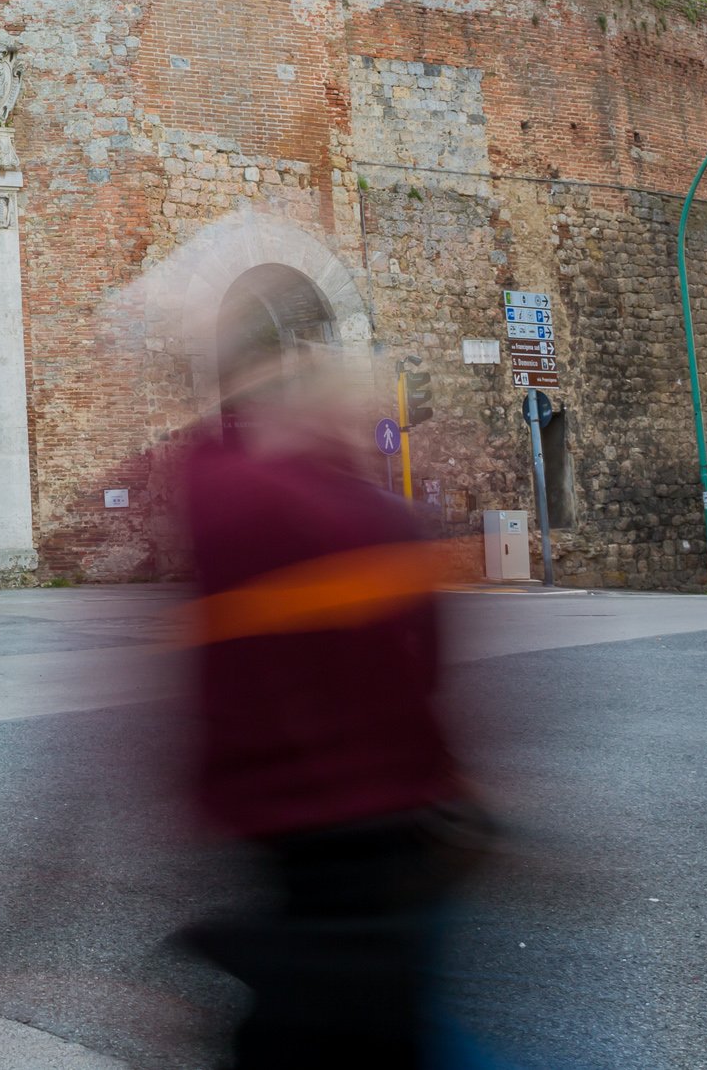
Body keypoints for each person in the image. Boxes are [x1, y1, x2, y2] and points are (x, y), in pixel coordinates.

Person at [168, 325, 477, 1068]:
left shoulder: (256, 506)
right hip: (395, 821)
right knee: (405, 1021)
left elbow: (204, 476)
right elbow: (429, 674)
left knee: (384, 1029)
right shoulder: (389, 520)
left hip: (317, 833)